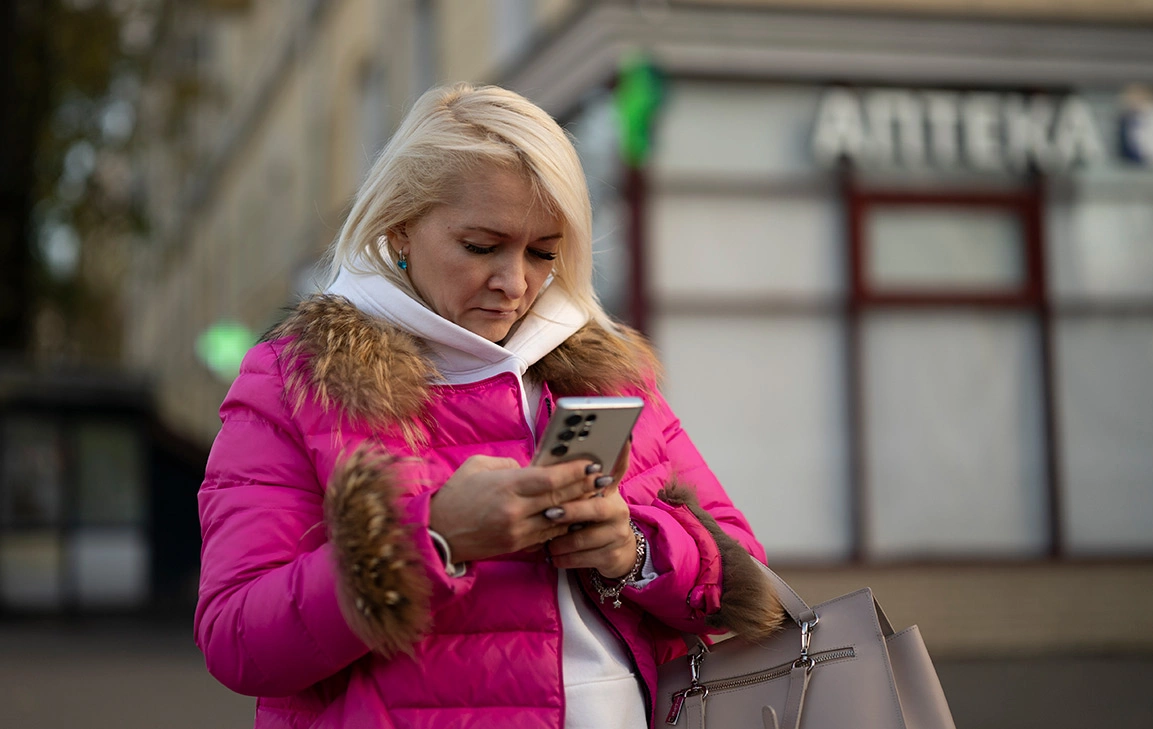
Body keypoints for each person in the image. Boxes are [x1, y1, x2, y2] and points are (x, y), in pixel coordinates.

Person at [195, 82, 782, 729]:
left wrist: (635, 549)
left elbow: (747, 580)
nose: (516, 283)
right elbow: (236, 638)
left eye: (543, 252)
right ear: (400, 229)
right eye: (482, 246)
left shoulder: (605, 373)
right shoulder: (298, 380)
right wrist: (434, 536)